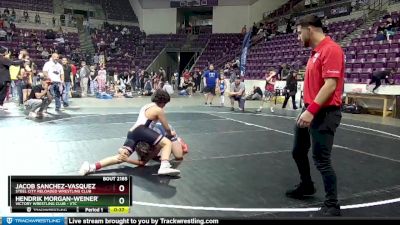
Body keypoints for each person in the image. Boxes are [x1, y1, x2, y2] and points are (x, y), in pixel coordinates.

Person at [286, 15, 344, 217]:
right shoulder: (315, 53)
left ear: (309, 29)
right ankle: (307, 185)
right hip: (310, 108)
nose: (298, 37)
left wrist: (311, 111)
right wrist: (306, 108)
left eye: (299, 32)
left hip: (324, 112)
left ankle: (332, 205)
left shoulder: (331, 49)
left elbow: (331, 85)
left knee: (321, 159)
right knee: (298, 151)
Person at [79, 90, 181, 176]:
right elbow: (167, 129)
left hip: (132, 132)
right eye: (165, 104)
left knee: (121, 157)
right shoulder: (159, 110)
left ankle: (90, 167)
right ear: (163, 102)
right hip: (142, 130)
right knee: (167, 142)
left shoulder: (147, 106)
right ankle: (164, 166)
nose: (164, 106)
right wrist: (170, 134)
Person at [0, 46, 25, 111]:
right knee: (3, 92)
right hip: (3, 78)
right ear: (4, 52)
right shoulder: (3, 59)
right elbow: (14, 63)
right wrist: (22, 60)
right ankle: (0, 105)